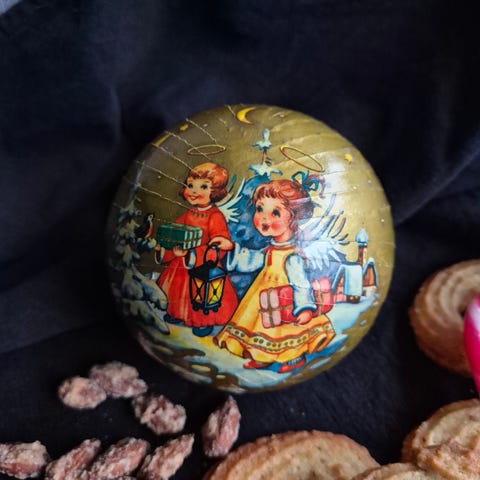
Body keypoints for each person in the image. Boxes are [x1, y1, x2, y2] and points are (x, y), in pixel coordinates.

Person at [213, 179, 335, 372]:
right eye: (260, 209)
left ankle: (294, 358)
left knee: (285, 329)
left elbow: (301, 284)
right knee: (262, 326)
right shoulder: (270, 249)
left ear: (293, 219)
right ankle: (262, 355)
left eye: (275, 213)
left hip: (286, 301)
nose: (263, 218)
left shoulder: (293, 256)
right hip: (263, 298)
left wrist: (304, 308)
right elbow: (253, 260)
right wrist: (231, 250)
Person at [155, 162, 238, 336]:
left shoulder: (215, 216)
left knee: (201, 292)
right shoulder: (189, 213)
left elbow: (219, 240)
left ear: (214, 191)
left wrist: (194, 252)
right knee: (177, 289)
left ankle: (202, 322)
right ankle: (177, 314)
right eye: (190, 185)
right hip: (181, 263)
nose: (193, 191)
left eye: (203, 187)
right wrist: (167, 246)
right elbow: (175, 232)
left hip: (200, 264)